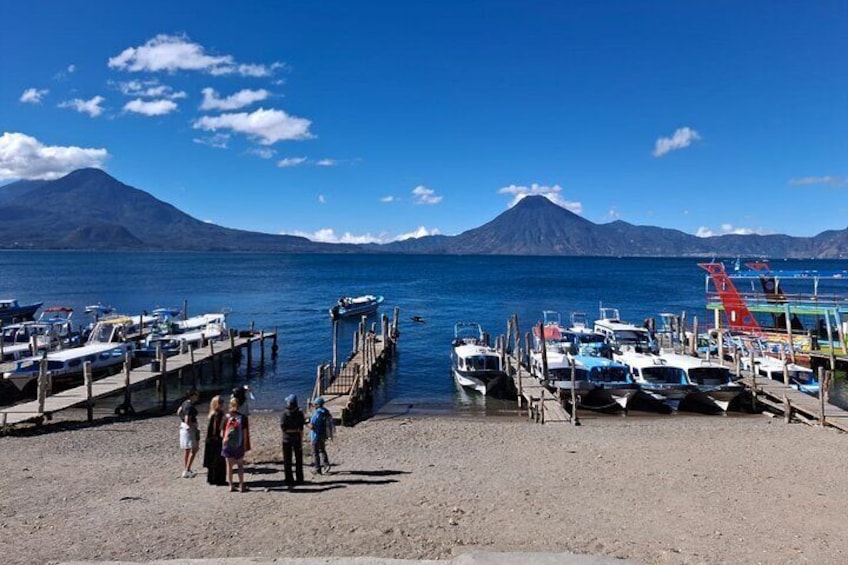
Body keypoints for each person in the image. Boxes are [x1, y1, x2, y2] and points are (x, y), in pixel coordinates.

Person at [221, 396, 251, 492]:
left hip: (227, 445)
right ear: (239, 406)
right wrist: (245, 445)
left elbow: (222, 433)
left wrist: (225, 440)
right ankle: (241, 485)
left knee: (229, 466)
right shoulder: (242, 418)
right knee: (240, 465)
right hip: (239, 444)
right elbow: (245, 433)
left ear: (230, 405)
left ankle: (231, 485)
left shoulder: (226, 417)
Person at [279, 394, 305, 488]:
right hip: (297, 438)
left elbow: (283, 428)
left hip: (287, 439)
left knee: (287, 460)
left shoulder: (284, 414)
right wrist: (298, 433)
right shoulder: (299, 413)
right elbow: (301, 428)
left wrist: (293, 430)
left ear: (289, 403)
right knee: (298, 459)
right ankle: (300, 479)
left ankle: (289, 479)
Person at [203, 395, 227, 486]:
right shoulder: (217, 414)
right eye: (220, 402)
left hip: (211, 439)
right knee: (218, 460)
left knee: (212, 460)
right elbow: (216, 428)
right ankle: (218, 480)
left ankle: (212, 479)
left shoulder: (212, 413)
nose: (222, 404)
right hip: (215, 439)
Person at [177, 389, 200, 478]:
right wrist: (193, 427)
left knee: (187, 449)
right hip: (189, 429)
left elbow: (179, 411)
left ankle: (187, 468)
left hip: (183, 427)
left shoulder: (184, 403)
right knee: (194, 449)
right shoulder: (190, 406)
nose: (198, 397)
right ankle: (187, 470)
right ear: (192, 395)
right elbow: (187, 420)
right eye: (196, 395)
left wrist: (182, 419)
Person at [308, 397, 334, 475]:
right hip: (323, 434)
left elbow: (312, 426)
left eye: (315, 404)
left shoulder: (317, 413)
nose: (313, 405)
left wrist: (306, 423)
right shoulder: (325, 412)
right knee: (322, 450)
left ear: (318, 404)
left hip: (316, 435)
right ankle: (326, 464)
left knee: (315, 452)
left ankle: (317, 469)